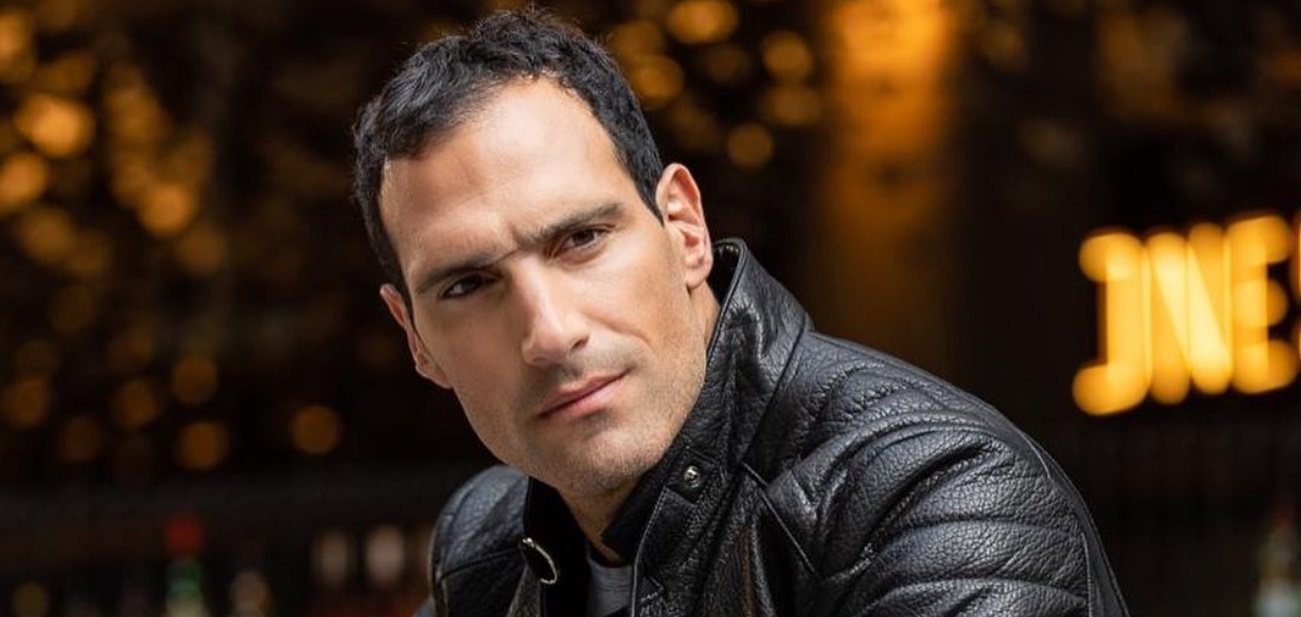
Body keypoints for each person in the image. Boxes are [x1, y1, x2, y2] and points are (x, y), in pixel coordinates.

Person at [351, 8, 1129, 617]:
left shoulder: (934, 499)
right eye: (467, 285)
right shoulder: (486, 546)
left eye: (581, 239)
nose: (550, 333)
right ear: (416, 339)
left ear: (684, 229)